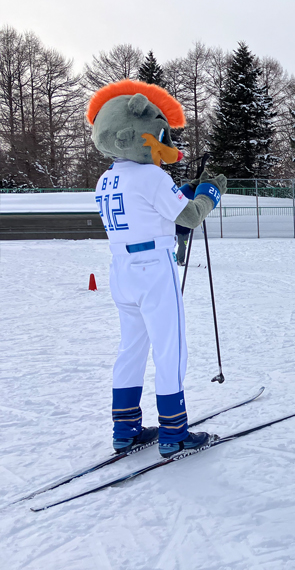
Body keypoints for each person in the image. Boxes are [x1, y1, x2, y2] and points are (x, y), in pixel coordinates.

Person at [88, 79, 227, 458]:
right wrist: (209, 194)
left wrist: (184, 191)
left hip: (122, 268)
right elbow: (190, 217)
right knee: (170, 347)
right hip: (153, 267)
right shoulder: (151, 175)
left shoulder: (106, 180)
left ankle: (126, 428)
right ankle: (174, 432)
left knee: (131, 348)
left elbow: (149, 210)